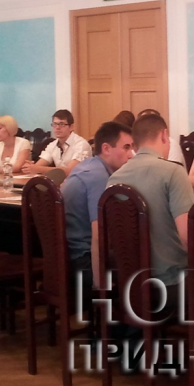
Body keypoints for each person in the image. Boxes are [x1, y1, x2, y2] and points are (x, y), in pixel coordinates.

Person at [107, 114, 194, 305]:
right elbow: (188, 237)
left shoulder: (114, 179)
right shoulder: (173, 172)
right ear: (164, 135)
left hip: (130, 285)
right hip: (171, 285)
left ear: (135, 143)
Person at [61, 122, 134, 290]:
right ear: (106, 148)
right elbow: (99, 236)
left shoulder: (87, 166)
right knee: (143, 267)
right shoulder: (98, 177)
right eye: (126, 147)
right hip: (82, 262)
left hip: (66, 257)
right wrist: (99, 284)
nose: (131, 154)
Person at [22, 110, 91, 177]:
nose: (57, 127)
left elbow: (70, 171)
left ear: (71, 127)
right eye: (55, 124)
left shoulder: (81, 144)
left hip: (80, 182)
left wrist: (38, 169)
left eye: (61, 124)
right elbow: (38, 166)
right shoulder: (52, 145)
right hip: (61, 182)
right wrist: (30, 167)